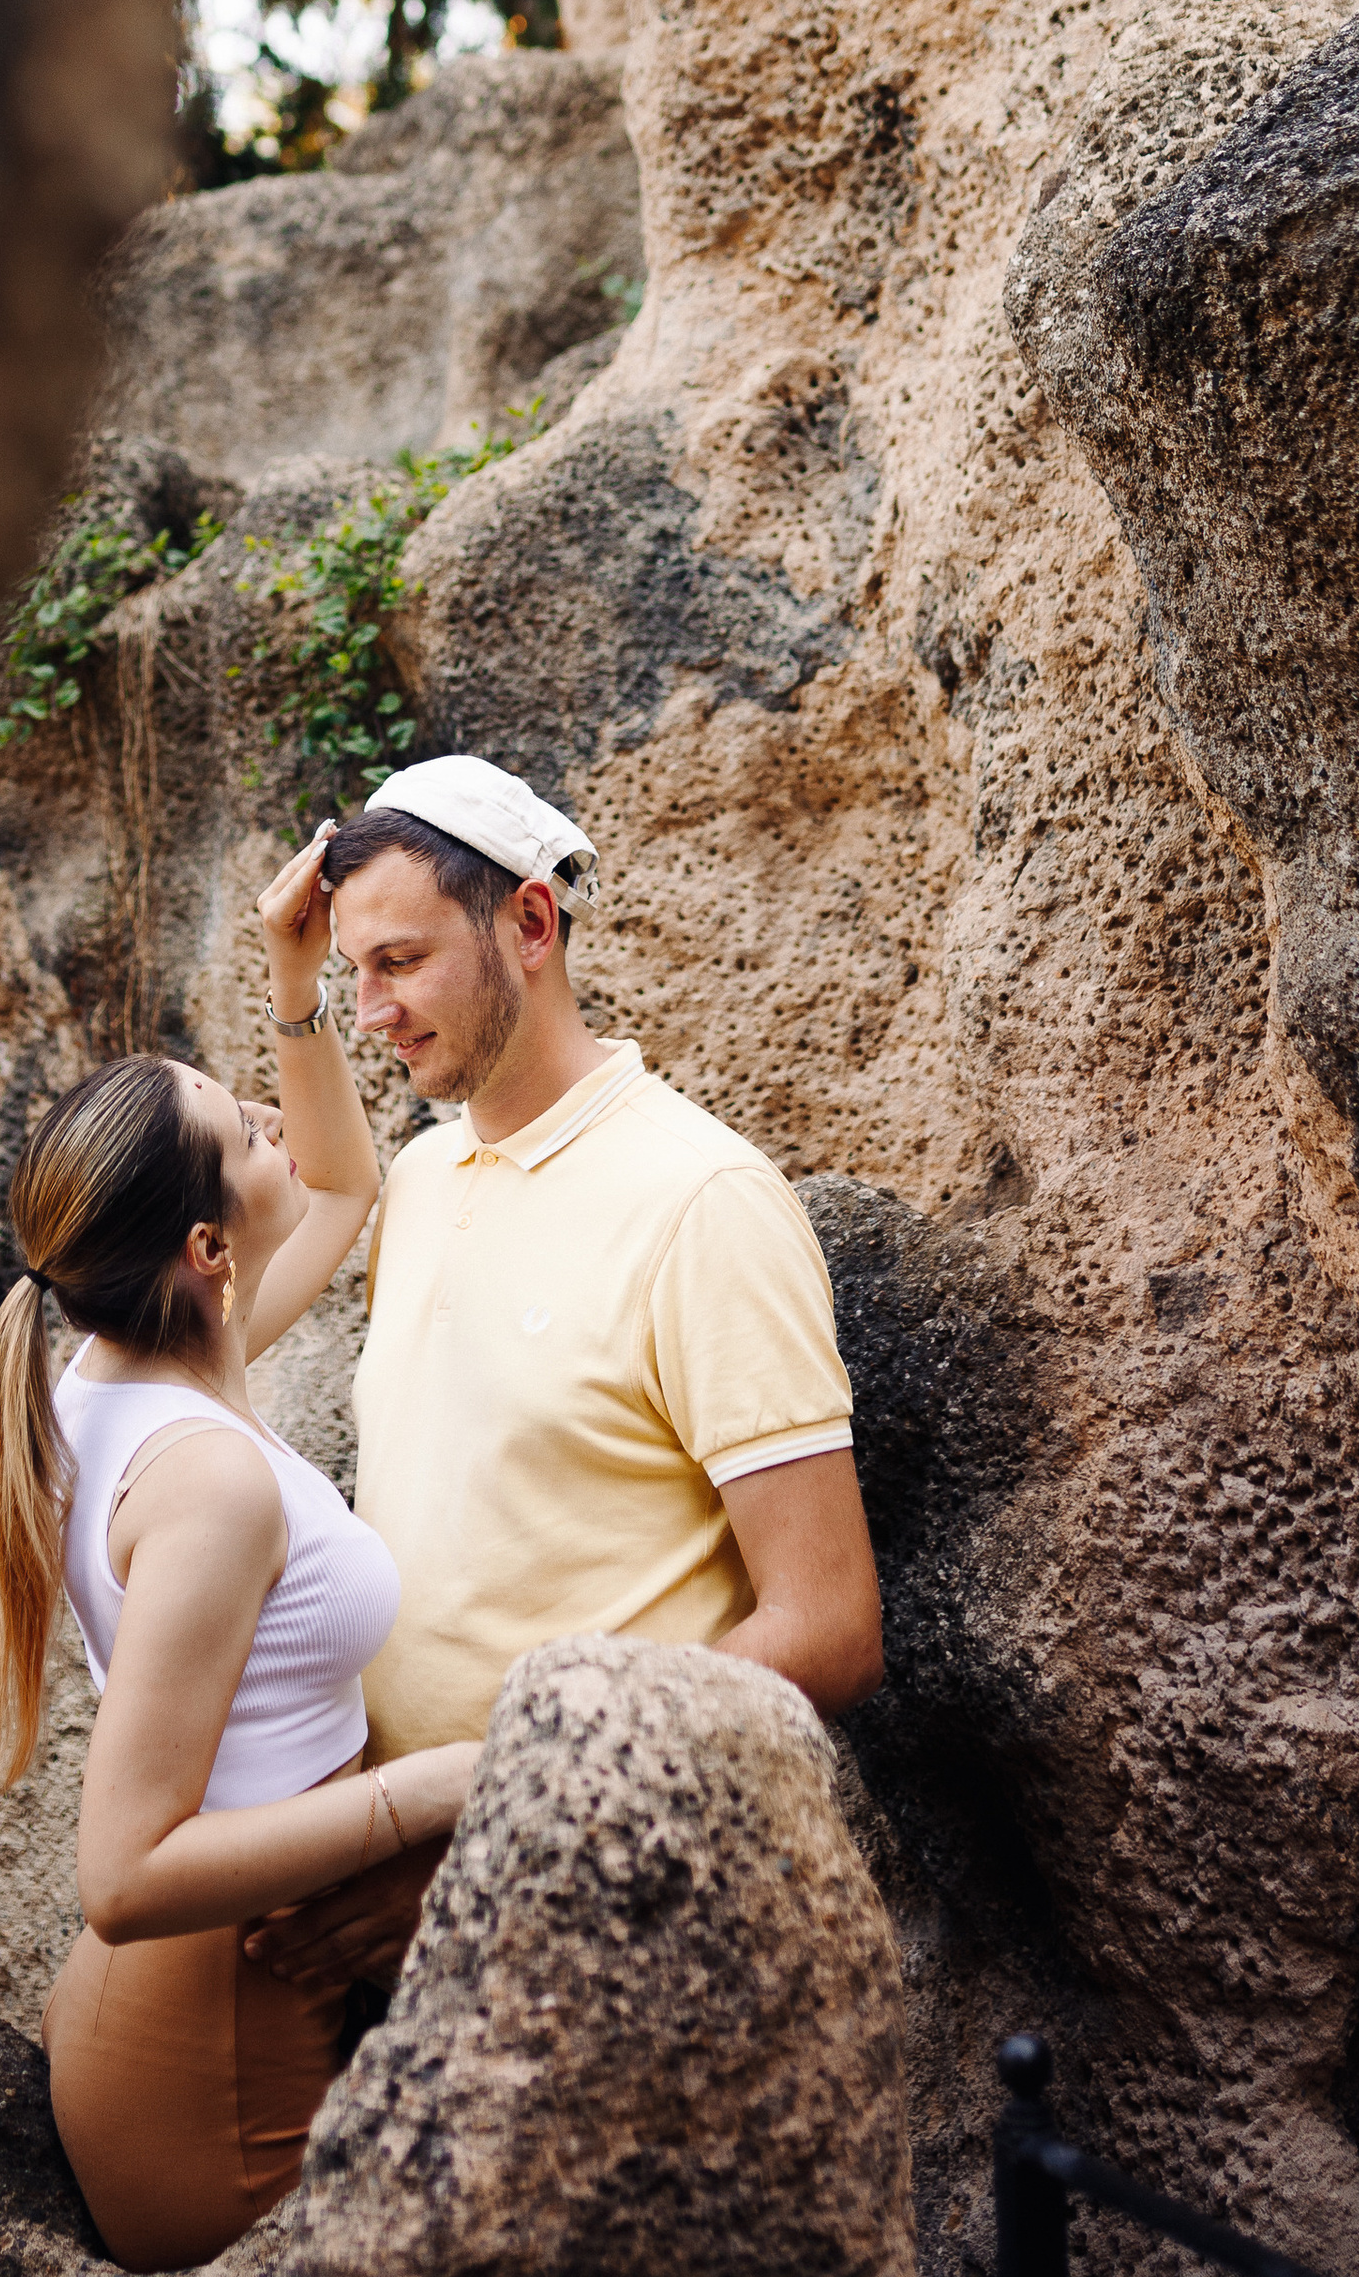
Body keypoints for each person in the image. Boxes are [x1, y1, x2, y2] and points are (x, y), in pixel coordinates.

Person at [247, 751, 883, 2002]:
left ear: (529, 922)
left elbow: (828, 1628)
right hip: (412, 1892)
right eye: (352, 970)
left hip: (613, 1905)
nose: (372, 1010)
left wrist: (502, 1840)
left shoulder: (702, 1202)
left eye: (401, 961)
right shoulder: (424, 1180)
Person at [0, 825, 480, 2273]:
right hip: (223, 2052)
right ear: (204, 1250)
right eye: (244, 1124)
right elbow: (124, 1876)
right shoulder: (207, 1481)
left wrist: (296, 977)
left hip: (213, 2008)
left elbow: (339, 1188)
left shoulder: (119, 1378)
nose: (273, 1117)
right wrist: (435, 1788)